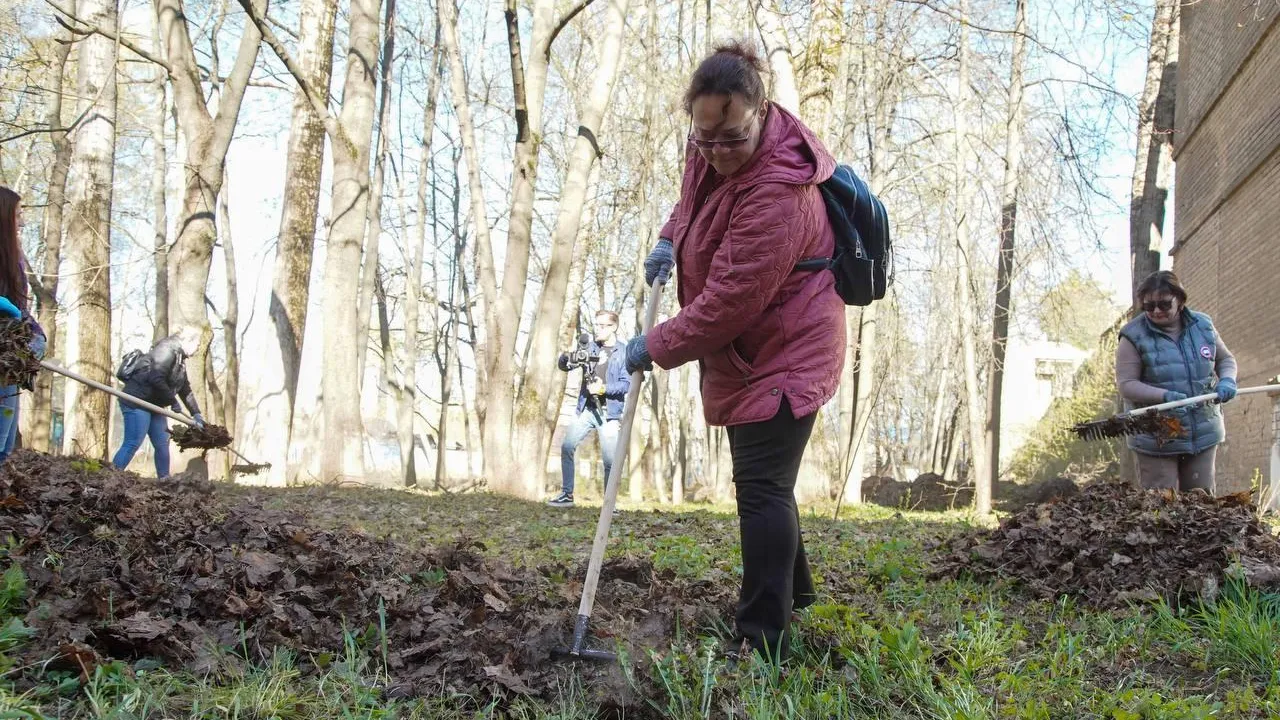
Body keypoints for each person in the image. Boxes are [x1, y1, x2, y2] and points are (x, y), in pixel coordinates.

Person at [624, 41, 845, 662]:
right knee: (770, 483)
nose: (717, 152)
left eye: (732, 139)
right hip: (755, 347)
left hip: (786, 350)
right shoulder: (710, 144)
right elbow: (692, 198)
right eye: (705, 139)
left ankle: (763, 638)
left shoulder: (779, 191)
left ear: (761, 111)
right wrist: (669, 239)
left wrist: (653, 345)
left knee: (761, 488)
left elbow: (729, 303)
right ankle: (796, 596)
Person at [1116, 270, 1237, 492]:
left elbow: (1225, 359)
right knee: (1161, 501)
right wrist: (1165, 397)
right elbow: (1127, 384)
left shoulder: (1203, 326)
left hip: (1203, 430)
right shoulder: (1133, 336)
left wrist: (1228, 380)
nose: (1156, 311)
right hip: (1155, 436)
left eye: (1164, 304)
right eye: (1149, 306)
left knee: (1201, 501)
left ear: (1180, 300)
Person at [547, 310, 630, 508]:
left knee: (610, 461)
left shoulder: (624, 352)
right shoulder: (590, 347)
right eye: (596, 325)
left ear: (613, 327)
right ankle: (567, 495)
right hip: (586, 409)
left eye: (602, 326)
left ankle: (609, 504)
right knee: (567, 447)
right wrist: (565, 357)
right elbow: (567, 365)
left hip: (609, 413)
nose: (597, 329)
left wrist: (603, 388)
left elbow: (625, 385)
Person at [112, 328, 206, 478]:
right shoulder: (166, 350)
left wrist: (196, 413)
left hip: (155, 405)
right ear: (188, 340)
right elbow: (155, 377)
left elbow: (185, 389)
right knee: (133, 442)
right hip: (137, 401)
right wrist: (172, 401)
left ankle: (164, 481)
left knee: (162, 443)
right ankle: (111, 477)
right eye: (198, 344)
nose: (198, 348)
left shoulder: (180, 359)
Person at [0, 186, 47, 465]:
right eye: (17, 215)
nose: (23, 222)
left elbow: (21, 311)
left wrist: (36, 337)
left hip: (9, 362)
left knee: (4, 446)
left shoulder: (14, 258)